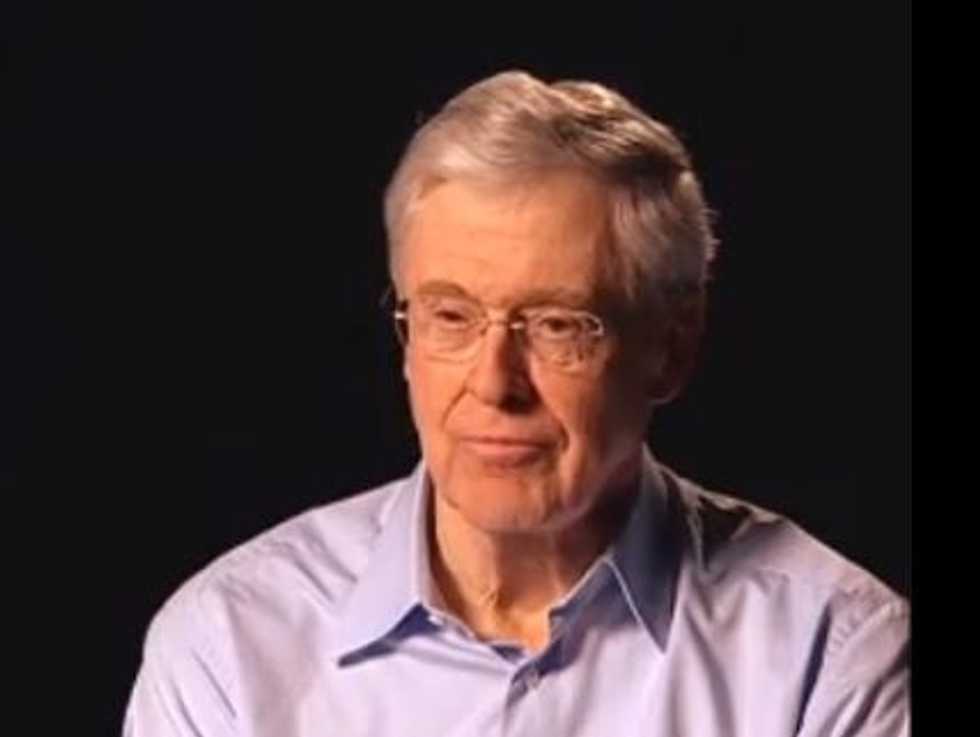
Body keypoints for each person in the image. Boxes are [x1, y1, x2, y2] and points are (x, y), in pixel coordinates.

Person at [123, 70, 909, 737]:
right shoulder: (230, 646)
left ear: (671, 348)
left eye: (560, 325)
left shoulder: (828, 654)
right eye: (451, 316)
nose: (495, 383)